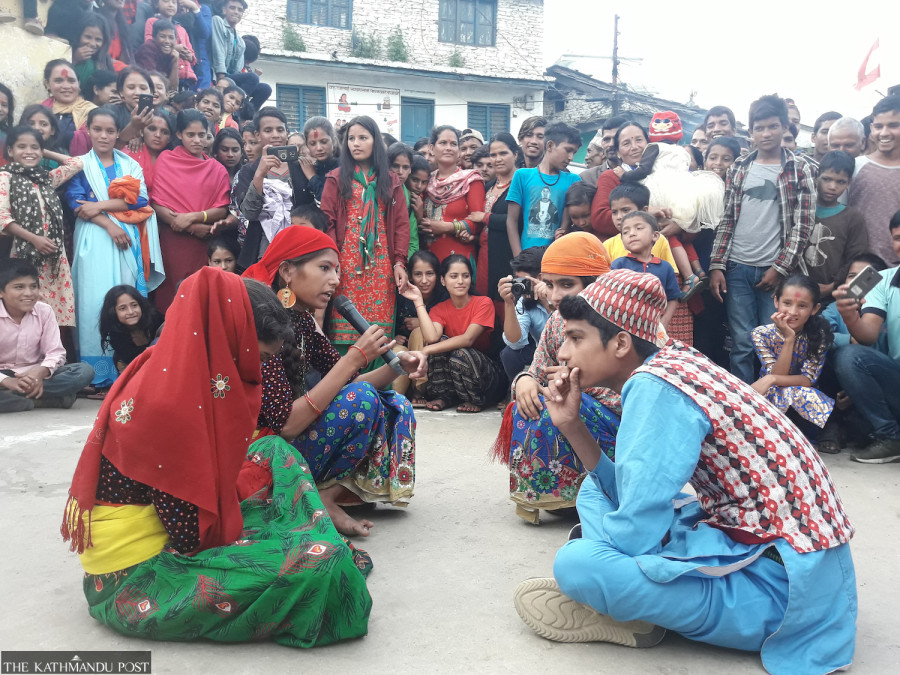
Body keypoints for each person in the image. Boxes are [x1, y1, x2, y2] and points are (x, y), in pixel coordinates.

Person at [514, 270, 857, 675]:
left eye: (575, 339)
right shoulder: (676, 360)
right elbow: (630, 491)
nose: (564, 355)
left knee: (577, 564)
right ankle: (633, 595)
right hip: (794, 562)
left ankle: (629, 603)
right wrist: (571, 424)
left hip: (783, 594)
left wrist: (605, 553)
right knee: (595, 490)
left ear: (621, 342)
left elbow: (636, 533)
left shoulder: (655, 387)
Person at [62, 266, 375, 646]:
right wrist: (244, 505)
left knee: (273, 449)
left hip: (171, 521)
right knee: (323, 565)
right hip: (137, 577)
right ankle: (314, 536)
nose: (258, 371)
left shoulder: (172, 364)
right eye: (257, 358)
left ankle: (305, 530)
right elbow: (191, 535)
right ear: (229, 342)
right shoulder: (169, 406)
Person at [243, 227, 425, 535]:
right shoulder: (265, 324)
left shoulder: (303, 320)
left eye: (337, 270)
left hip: (296, 438)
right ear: (287, 271)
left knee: (394, 402)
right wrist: (353, 356)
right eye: (324, 268)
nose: (335, 280)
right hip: (265, 450)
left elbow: (352, 384)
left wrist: (397, 367)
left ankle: (334, 495)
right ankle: (318, 499)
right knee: (364, 398)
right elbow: (284, 425)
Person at [491, 232, 618, 524]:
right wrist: (524, 380)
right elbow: (534, 367)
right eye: (549, 284)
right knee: (529, 401)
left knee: (558, 401)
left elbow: (641, 395)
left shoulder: (620, 321)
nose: (556, 295)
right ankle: (547, 495)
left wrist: (576, 381)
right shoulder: (557, 321)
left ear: (596, 283)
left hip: (622, 426)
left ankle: (600, 489)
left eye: (567, 284)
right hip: (578, 410)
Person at [709, 95, 817, 384]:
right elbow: (727, 219)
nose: (766, 134)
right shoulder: (740, 168)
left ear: (784, 128)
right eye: (759, 128)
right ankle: (745, 402)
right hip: (737, 268)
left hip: (776, 272)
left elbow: (802, 226)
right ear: (751, 131)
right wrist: (718, 265)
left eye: (772, 126)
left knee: (777, 340)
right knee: (742, 342)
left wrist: (780, 268)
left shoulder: (799, 169)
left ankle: (773, 404)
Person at [66, 106, 165, 387]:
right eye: (98, 129)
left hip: (126, 241)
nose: (104, 135)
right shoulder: (79, 164)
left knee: (124, 297)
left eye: (110, 130)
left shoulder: (130, 164)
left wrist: (97, 204)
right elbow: (76, 203)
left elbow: (139, 200)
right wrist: (109, 223)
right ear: (88, 130)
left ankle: (125, 369)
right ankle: (96, 374)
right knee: (94, 299)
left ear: (118, 132)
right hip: (94, 238)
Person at [321, 115, 410, 355]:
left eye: (363, 137)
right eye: (351, 138)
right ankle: (345, 383)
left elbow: (402, 225)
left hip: (381, 266)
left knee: (379, 336)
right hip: (345, 264)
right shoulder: (336, 178)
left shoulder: (390, 181)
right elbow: (326, 221)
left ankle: (378, 387)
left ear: (375, 142)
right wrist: (331, 261)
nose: (356, 143)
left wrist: (400, 262)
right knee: (343, 327)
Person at [831, 211, 900, 463]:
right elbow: (868, 335)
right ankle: (891, 437)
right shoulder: (882, 281)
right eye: (898, 238)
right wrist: (850, 317)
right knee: (850, 356)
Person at [0, 126, 83, 328]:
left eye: (34, 147)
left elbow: (76, 162)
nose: (29, 151)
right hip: (24, 253)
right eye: (22, 147)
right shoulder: (5, 177)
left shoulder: (45, 179)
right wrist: (34, 239)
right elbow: (2, 217)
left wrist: (42, 150)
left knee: (53, 315)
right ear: (10, 151)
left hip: (53, 258)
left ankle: (53, 354)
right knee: (26, 309)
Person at [151, 109, 231, 312]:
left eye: (202, 135)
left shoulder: (217, 169)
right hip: (172, 240)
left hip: (204, 243)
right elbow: (157, 204)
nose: (197, 140)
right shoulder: (166, 160)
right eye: (190, 135)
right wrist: (192, 227)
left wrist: (196, 218)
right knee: (172, 299)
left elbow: (221, 208)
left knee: (203, 298)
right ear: (179, 134)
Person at [402, 254, 503, 413]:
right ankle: (445, 396)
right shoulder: (439, 309)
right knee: (439, 342)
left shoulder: (483, 303)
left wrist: (425, 350)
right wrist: (418, 301)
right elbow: (431, 337)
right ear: (443, 280)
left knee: (460, 353)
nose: (461, 281)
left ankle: (475, 399)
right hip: (456, 377)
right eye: (454, 276)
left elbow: (468, 339)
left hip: (487, 377)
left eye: (465, 276)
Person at [0, 260, 94, 413]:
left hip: (37, 374)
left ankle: (14, 398)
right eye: (19, 287)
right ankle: (41, 400)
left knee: (84, 371)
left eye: (33, 286)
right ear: (1, 292)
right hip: (3, 377)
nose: (29, 293)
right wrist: (7, 381)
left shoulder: (44, 311)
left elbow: (56, 352)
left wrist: (39, 372)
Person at [751, 274, 835, 438]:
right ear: (776, 301)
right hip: (770, 394)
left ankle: (808, 440)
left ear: (815, 309)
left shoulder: (819, 335)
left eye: (802, 306)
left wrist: (771, 379)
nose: (793, 312)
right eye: (787, 303)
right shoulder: (761, 334)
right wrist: (789, 339)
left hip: (802, 399)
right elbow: (776, 374)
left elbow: (807, 380)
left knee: (802, 393)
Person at [233, 107, 314, 269]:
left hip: (300, 249)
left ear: (287, 132)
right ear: (257, 135)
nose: (275, 135)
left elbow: (315, 206)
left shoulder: (301, 166)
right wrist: (260, 174)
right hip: (263, 251)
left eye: (280, 130)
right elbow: (249, 213)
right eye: (268, 130)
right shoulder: (248, 171)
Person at [507, 122, 582, 256]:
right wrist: (518, 259)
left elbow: (566, 222)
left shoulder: (573, 180)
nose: (571, 157)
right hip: (527, 255)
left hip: (556, 256)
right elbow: (511, 221)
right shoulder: (522, 176)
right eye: (568, 150)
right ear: (550, 146)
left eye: (574, 153)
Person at [803, 151, 868, 299]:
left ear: (848, 183)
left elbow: (857, 258)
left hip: (831, 296)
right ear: (817, 176)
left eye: (840, 182)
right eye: (826, 179)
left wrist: (832, 286)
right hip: (795, 289)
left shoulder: (852, 217)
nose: (832, 187)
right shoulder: (802, 209)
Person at [421, 125, 485, 267]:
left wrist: (446, 227)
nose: (449, 148)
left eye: (453, 144)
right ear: (432, 148)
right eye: (443, 143)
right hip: (427, 261)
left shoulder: (471, 180)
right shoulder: (425, 181)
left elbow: (478, 222)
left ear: (458, 151)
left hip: (460, 261)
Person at [848, 96, 900, 266]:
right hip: (857, 267)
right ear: (871, 129)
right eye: (878, 126)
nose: (884, 133)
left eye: (893, 125)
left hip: (896, 271)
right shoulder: (855, 166)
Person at [610, 211, 682, 328]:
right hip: (622, 326)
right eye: (625, 232)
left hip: (654, 327)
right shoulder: (618, 265)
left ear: (655, 236)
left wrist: (664, 322)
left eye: (638, 228)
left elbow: (673, 298)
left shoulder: (665, 267)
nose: (632, 234)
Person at [475, 132, 520, 300]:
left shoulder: (522, 183)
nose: (497, 159)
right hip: (484, 255)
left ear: (515, 154)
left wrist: (485, 217)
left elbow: (518, 220)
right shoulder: (488, 186)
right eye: (493, 155)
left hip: (507, 253)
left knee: (505, 302)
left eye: (503, 153)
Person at [589, 122, 649, 240]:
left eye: (639, 140)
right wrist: (647, 215)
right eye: (626, 143)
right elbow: (599, 218)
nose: (634, 147)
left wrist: (677, 225)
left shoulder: (661, 174)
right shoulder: (611, 177)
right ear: (618, 152)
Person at [498, 246, 550, 380]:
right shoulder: (524, 300)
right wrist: (509, 303)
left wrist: (548, 301)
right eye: (517, 280)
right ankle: (517, 388)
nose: (521, 286)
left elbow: (567, 329)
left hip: (571, 352)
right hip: (542, 352)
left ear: (540, 278)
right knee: (509, 354)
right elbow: (515, 342)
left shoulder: (562, 292)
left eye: (524, 282)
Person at [98, 284, 162, 372]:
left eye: (134, 305)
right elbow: (132, 356)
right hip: (136, 367)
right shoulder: (116, 334)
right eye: (123, 308)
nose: (131, 312)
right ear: (113, 312)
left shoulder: (154, 317)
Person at [41, 59, 96, 155]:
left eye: (71, 81)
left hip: (80, 168)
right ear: (47, 84)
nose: (66, 86)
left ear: (78, 84)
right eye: (58, 81)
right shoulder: (39, 111)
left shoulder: (93, 112)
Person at [142, 0, 198, 89]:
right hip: (166, 75)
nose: (170, 5)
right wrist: (175, 48)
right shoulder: (152, 21)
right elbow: (149, 43)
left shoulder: (181, 29)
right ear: (156, 4)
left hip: (186, 78)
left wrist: (189, 56)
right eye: (166, 1)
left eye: (174, 2)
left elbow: (193, 57)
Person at [123, 109, 173, 194]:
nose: (158, 135)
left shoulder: (174, 160)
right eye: (152, 129)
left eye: (164, 132)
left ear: (169, 138)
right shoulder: (128, 153)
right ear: (141, 132)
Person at [387, 141, 418, 256]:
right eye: (395, 166)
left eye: (405, 167)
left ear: (410, 170)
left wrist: (402, 264)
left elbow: (413, 241)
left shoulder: (410, 199)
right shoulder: (374, 192)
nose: (400, 172)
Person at [134, 19, 180, 94]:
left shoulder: (172, 54)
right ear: (154, 37)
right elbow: (151, 82)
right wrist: (164, 78)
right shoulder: (148, 48)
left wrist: (175, 62)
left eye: (171, 37)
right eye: (162, 36)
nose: (167, 41)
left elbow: (172, 88)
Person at [302, 116, 339, 204]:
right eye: (313, 143)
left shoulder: (344, 168)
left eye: (324, 142)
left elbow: (329, 202)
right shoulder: (309, 168)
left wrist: (312, 177)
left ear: (333, 141)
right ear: (307, 145)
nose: (319, 148)